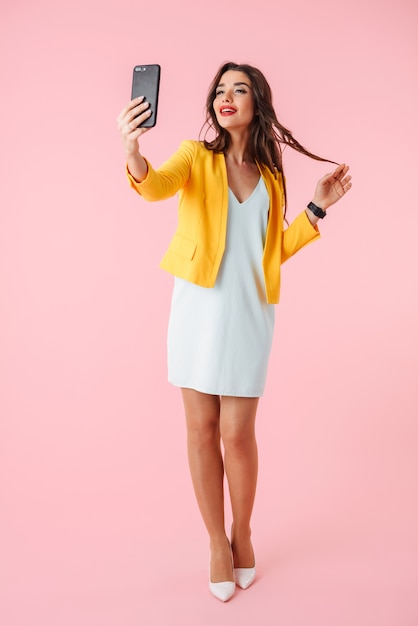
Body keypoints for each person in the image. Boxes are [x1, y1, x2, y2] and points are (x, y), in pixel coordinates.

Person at [117, 61, 352, 602]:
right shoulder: (195, 157)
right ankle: (216, 545)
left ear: (257, 103)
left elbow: (271, 254)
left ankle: (242, 531)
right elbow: (155, 187)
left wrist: (317, 207)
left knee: (238, 434)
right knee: (201, 431)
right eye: (219, 90)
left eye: (239, 89)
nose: (226, 97)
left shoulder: (271, 177)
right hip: (197, 309)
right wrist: (132, 151)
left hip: (249, 314)